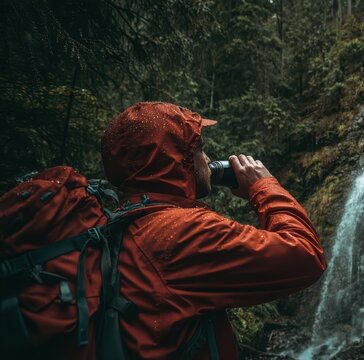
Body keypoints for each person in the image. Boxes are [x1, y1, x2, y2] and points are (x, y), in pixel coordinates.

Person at [97, 101, 327, 358]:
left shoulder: (116, 222)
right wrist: (263, 187)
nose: (207, 159)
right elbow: (306, 255)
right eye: (200, 150)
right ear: (176, 159)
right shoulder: (185, 232)